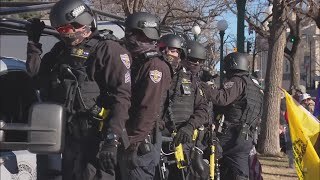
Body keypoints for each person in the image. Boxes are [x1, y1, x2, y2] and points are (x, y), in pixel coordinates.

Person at [26, 0, 131, 179]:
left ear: (81, 23)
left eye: (65, 30)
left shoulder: (108, 50)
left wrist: (112, 140)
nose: (63, 35)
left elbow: (122, 98)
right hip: (70, 139)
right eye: (59, 31)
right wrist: (33, 43)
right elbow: (36, 78)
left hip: (97, 139)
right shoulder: (61, 51)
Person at [118, 12, 172, 180]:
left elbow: (148, 108)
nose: (129, 39)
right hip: (132, 138)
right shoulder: (140, 62)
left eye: (132, 34)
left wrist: (132, 143)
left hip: (140, 144)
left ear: (144, 34)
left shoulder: (154, 66)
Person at [204, 52, 263, 180]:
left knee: (204, 158)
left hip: (231, 134)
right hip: (247, 135)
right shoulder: (254, 85)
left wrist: (204, 88)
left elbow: (222, 98)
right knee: (239, 172)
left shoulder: (237, 81)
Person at [158, 34, 209, 180]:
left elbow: (203, 109)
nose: (173, 55)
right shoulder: (154, 73)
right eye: (170, 51)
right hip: (158, 139)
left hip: (183, 141)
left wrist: (190, 126)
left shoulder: (189, 80)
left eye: (177, 52)